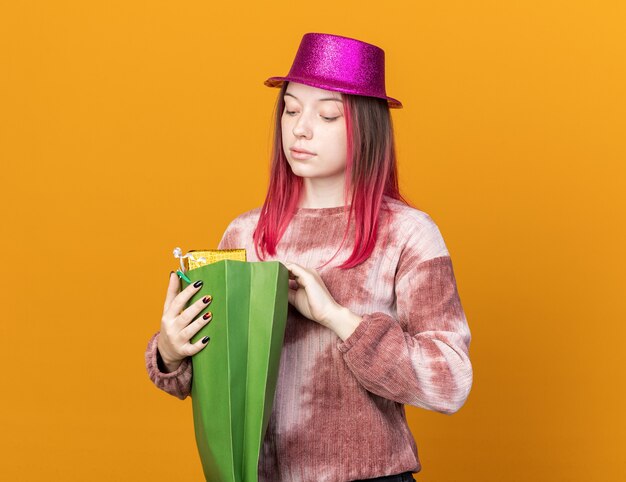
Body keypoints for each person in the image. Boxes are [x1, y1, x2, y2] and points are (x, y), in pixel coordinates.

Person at [145, 32, 473, 482]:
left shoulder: (408, 234)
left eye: (328, 115)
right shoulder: (246, 232)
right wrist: (171, 350)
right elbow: (219, 381)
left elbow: (451, 382)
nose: (300, 128)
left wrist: (337, 318)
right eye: (292, 109)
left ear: (365, 126)